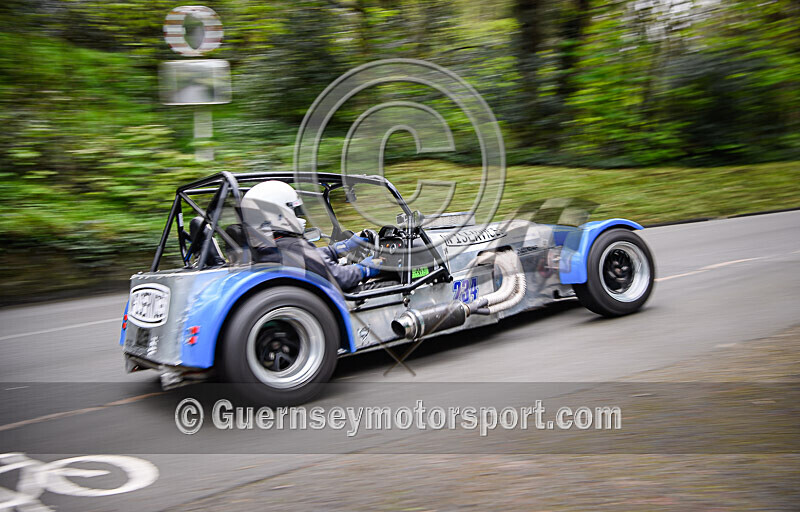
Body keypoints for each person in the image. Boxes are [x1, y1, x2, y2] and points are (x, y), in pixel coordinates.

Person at [238, 180, 381, 291]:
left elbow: (311, 259)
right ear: (279, 214)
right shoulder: (291, 246)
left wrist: (341, 248)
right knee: (388, 283)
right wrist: (365, 268)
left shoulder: (267, 249)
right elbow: (339, 277)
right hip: (331, 304)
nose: (300, 218)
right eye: (294, 211)